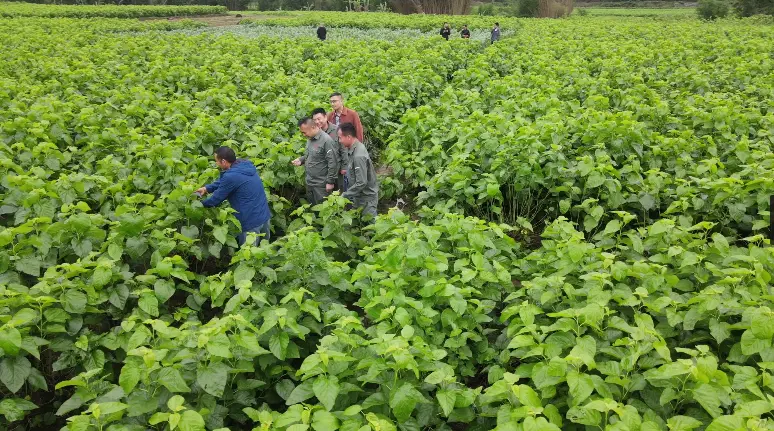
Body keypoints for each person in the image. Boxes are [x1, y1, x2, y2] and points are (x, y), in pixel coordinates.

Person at [197, 147, 271, 246]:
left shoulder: (230, 176)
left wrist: (197, 204)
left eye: (217, 161)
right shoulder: (245, 164)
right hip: (264, 216)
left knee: (248, 257)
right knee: (263, 251)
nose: (216, 164)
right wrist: (207, 188)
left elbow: (215, 200)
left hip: (250, 222)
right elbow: (226, 181)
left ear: (223, 161)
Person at [292, 117, 338, 206]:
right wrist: (301, 160)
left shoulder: (326, 140)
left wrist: (330, 182)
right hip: (310, 182)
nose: (303, 135)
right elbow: (311, 155)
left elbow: (333, 162)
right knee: (312, 208)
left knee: (323, 210)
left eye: (304, 132)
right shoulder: (310, 139)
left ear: (313, 127)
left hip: (321, 185)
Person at [338, 123, 378, 219]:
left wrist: (344, 195)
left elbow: (361, 182)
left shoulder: (358, 155)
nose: (339, 141)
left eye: (340, 138)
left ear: (348, 137)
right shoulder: (353, 148)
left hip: (366, 198)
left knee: (370, 226)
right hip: (359, 196)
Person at [312, 108, 348, 192]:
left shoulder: (337, 130)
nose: (317, 122)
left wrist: (344, 167)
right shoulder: (315, 134)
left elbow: (344, 149)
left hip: (337, 169)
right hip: (322, 171)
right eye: (314, 120)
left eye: (319, 119)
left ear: (325, 117)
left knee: (339, 192)